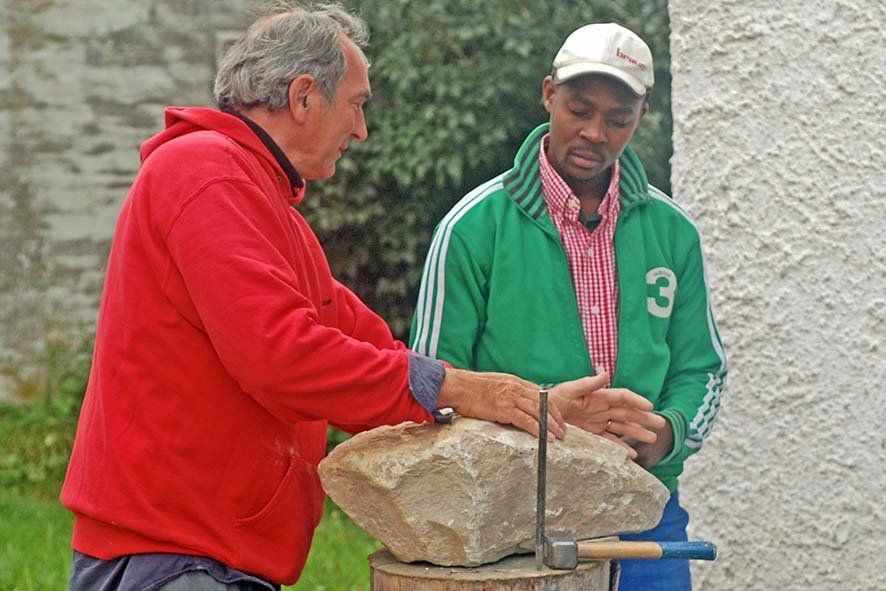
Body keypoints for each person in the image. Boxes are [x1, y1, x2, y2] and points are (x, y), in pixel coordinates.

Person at [60, 6, 664, 591]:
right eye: (356, 104)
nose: (360, 130)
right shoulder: (206, 173)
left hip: (201, 552)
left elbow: (373, 349)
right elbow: (282, 356)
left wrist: (532, 407)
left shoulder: (259, 203)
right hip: (175, 556)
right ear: (303, 97)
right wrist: (470, 391)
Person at [411, 22, 727, 591]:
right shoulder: (472, 227)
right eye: (579, 110)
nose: (594, 133)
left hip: (645, 510)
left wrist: (665, 434)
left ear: (642, 115)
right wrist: (549, 420)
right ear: (548, 93)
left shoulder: (673, 231)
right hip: (513, 516)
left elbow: (702, 368)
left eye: (618, 119)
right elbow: (433, 386)